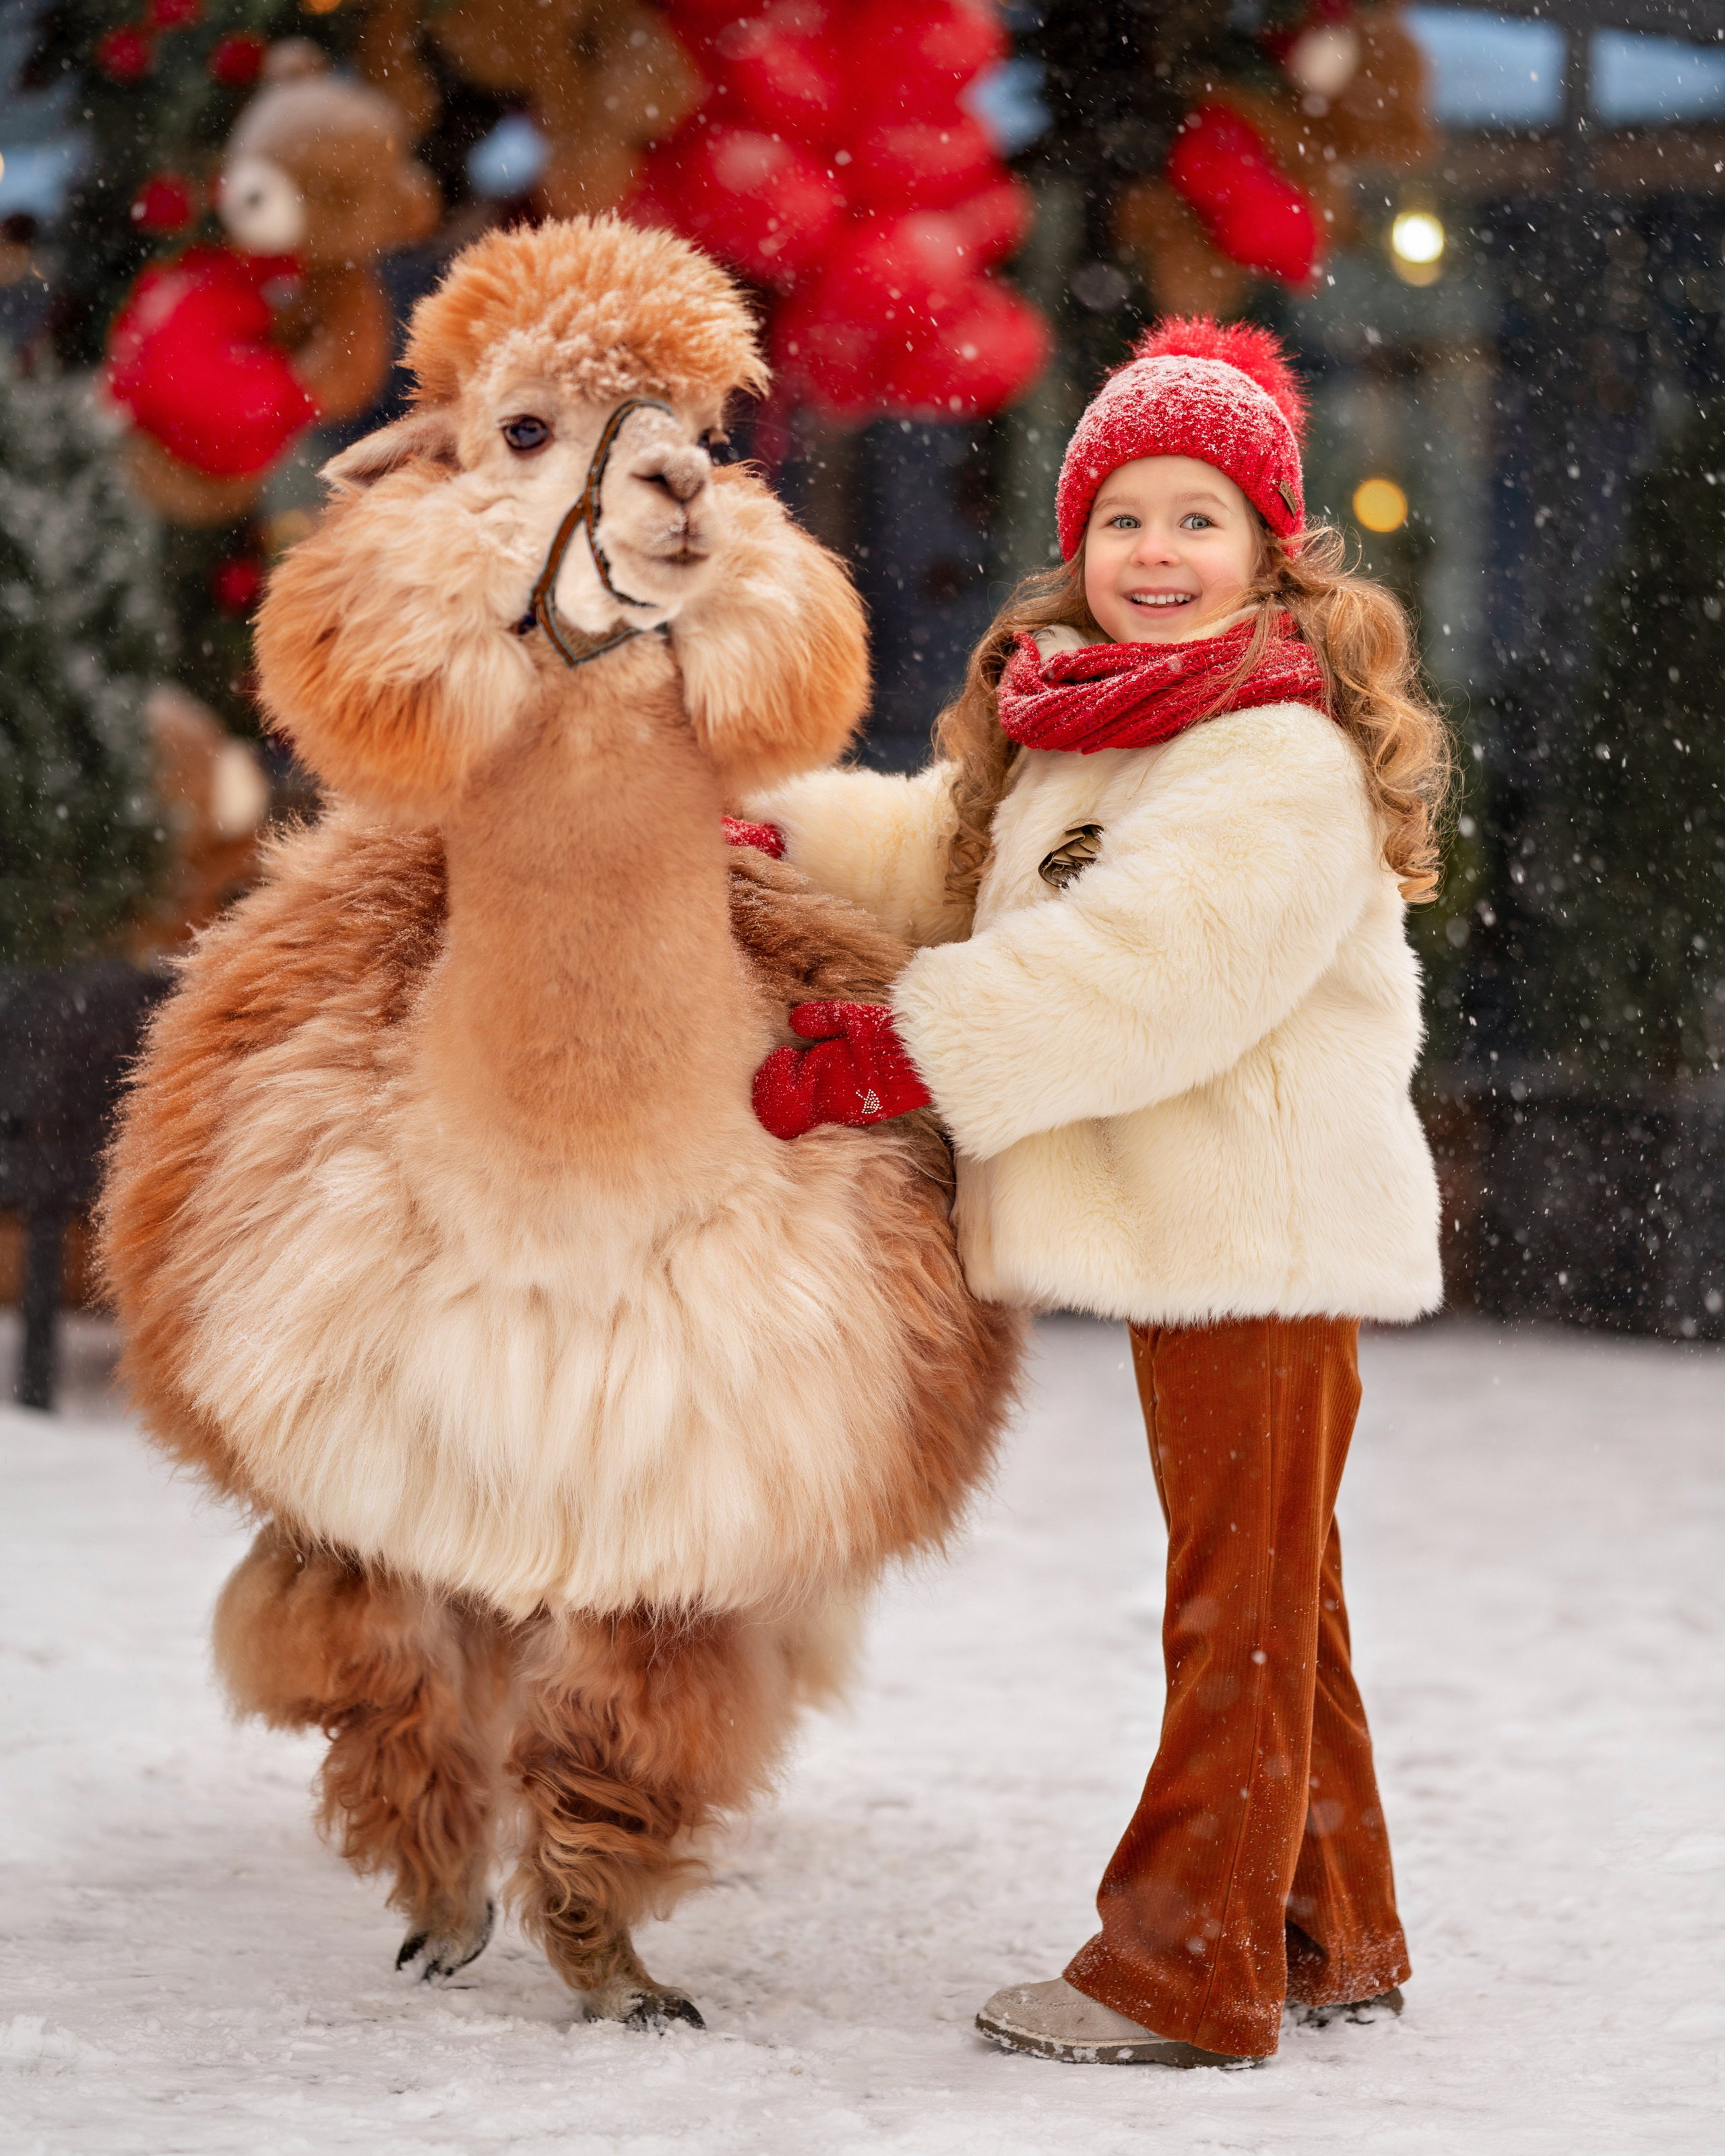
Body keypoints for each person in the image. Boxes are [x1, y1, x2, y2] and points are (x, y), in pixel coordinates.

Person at [743, 317, 1449, 2068]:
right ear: (1082, 540)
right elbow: (969, 858)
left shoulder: (1271, 755)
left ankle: (1186, 1968)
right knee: (1281, 1583)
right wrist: (785, 839)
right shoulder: (1100, 722)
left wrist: (899, 1047)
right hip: (1195, 1227)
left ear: (1267, 547)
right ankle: (1327, 1923)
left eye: (1198, 521)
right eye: (1126, 517)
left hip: (1260, 1229)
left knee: (1242, 1601)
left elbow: (1148, 965)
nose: (1157, 554)